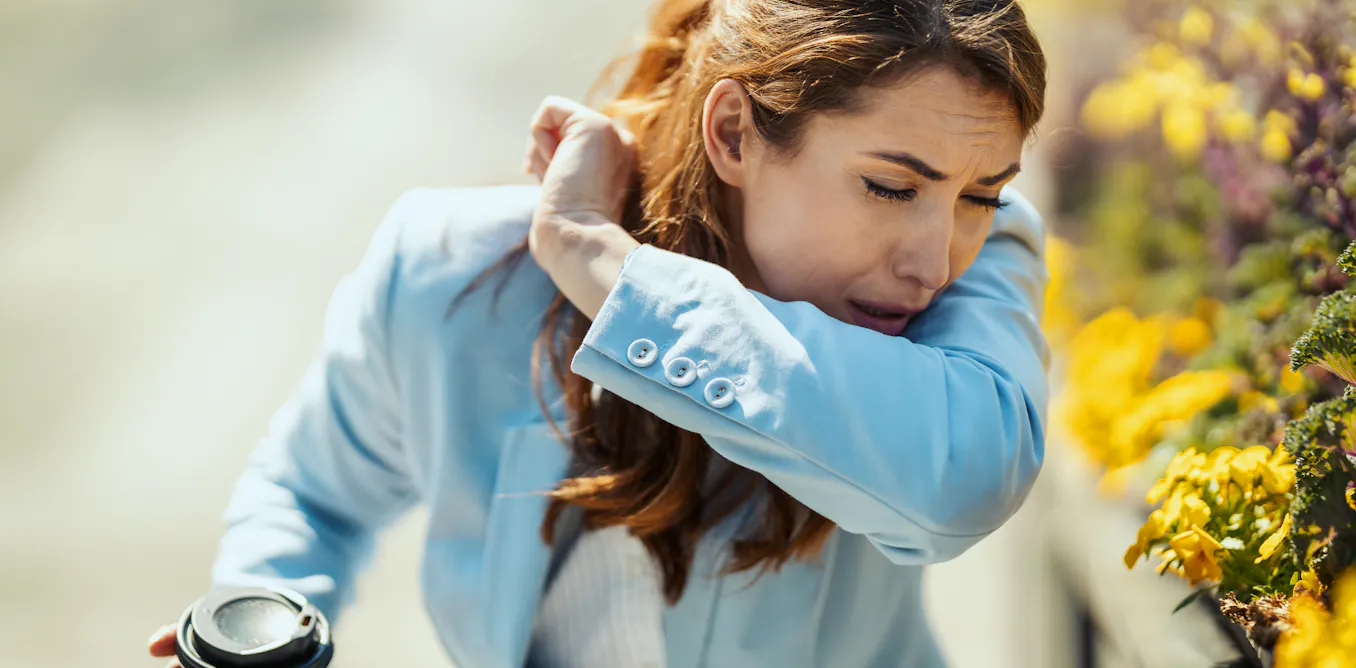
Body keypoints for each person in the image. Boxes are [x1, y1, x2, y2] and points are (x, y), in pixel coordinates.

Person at [148, 0, 1049, 666]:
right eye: (892, 187)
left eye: (981, 192)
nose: (935, 260)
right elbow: (315, 492)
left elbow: (963, 481)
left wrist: (598, 263)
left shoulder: (990, 257)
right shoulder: (455, 270)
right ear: (733, 131)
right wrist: (262, 612)